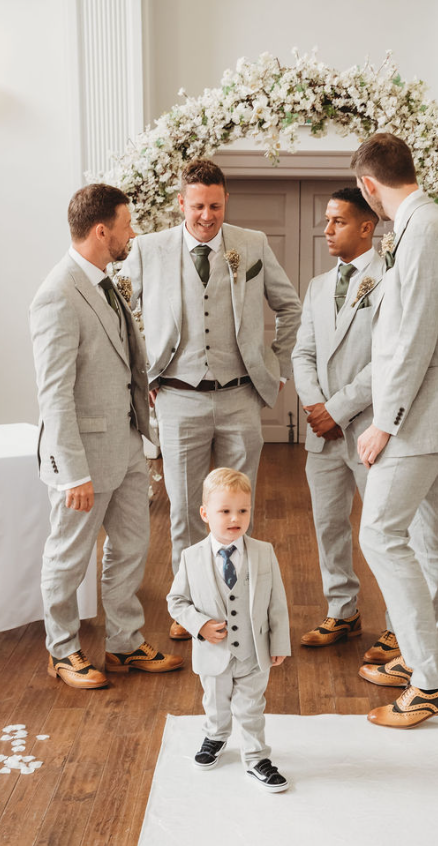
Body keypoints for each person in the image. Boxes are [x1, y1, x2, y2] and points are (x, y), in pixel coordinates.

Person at [120, 159, 302, 641]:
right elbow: (119, 315)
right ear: (181, 203)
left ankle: (238, 605)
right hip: (177, 398)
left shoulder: (252, 245)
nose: (207, 215)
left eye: (215, 206)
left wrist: (277, 365)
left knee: (237, 508)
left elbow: (289, 306)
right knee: (184, 511)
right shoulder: (147, 249)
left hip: (240, 395)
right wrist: (143, 376)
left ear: (226, 203)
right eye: (197, 205)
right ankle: (193, 610)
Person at [351, 133, 438, 727]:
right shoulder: (422, 226)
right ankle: (419, 656)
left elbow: (415, 336)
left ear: (369, 185)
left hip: (419, 414)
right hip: (431, 412)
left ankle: (432, 683)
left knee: (380, 535)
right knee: (431, 537)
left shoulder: (427, 230)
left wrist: (385, 421)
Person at [29, 184, 184, 690]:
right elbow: (55, 395)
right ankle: (63, 650)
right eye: (126, 226)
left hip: (127, 445)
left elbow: (120, 361)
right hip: (84, 459)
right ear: (102, 231)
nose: (131, 234)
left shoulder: (106, 282)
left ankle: (123, 643)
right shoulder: (56, 293)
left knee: (131, 547)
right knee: (69, 555)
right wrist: (72, 472)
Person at [293, 187, 396, 652]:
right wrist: (317, 408)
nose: (327, 230)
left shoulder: (390, 279)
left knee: (385, 532)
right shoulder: (317, 286)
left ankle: (398, 626)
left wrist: (336, 410)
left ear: (367, 227)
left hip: (371, 429)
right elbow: (303, 353)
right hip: (324, 434)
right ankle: (342, 612)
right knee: (328, 523)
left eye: (337, 221)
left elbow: (388, 358)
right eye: (326, 220)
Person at [167, 468, 290, 791]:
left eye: (243, 510)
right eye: (225, 511)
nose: (235, 518)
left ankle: (256, 757)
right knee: (216, 702)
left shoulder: (264, 553)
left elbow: (277, 602)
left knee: (251, 706)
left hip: (253, 649)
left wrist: (279, 643)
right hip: (213, 651)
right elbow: (176, 601)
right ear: (206, 514)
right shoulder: (191, 557)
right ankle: (215, 736)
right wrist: (200, 625)